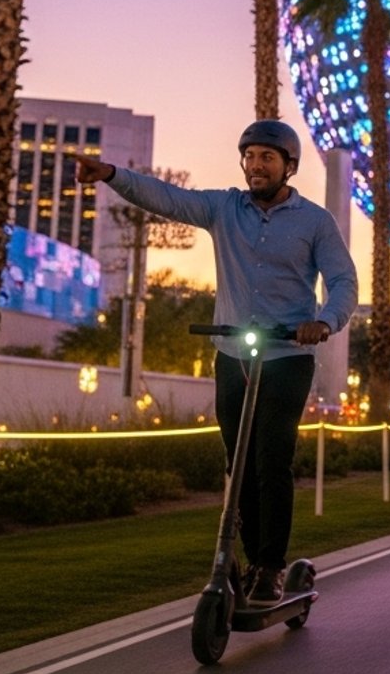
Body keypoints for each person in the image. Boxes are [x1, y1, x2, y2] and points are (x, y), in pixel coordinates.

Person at [70, 120, 357, 606]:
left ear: (289, 166)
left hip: (288, 355)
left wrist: (324, 322)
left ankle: (271, 565)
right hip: (232, 353)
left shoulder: (315, 222)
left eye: (268, 157)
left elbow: (344, 282)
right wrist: (111, 173)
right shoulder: (224, 207)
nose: (256, 165)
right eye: (250, 156)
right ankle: (241, 560)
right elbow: (167, 198)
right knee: (238, 461)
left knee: (271, 459)